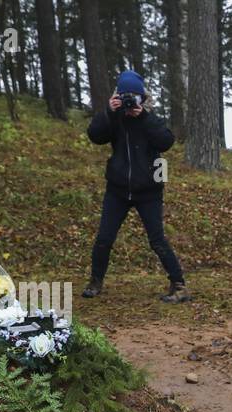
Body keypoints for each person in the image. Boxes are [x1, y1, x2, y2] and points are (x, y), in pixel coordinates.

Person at [82, 70, 190, 303]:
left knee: (157, 239)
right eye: (125, 95)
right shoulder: (114, 118)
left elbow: (166, 141)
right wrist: (109, 112)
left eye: (134, 96)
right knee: (104, 238)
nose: (129, 100)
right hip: (118, 190)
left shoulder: (149, 118)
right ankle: (95, 282)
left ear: (142, 98)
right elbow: (95, 135)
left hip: (149, 191)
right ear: (117, 96)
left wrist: (143, 117)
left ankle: (179, 284)